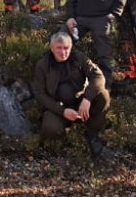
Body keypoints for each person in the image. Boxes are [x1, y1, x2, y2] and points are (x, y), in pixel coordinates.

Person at [32, 31, 114, 163]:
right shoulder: (43, 65)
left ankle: (92, 133)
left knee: (103, 95)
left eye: (66, 48)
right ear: (51, 48)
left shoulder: (79, 57)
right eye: (59, 48)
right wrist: (62, 111)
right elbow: (40, 94)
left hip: (81, 103)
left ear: (71, 47)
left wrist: (87, 99)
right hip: (58, 108)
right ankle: (65, 144)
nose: (63, 52)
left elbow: (98, 76)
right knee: (51, 129)